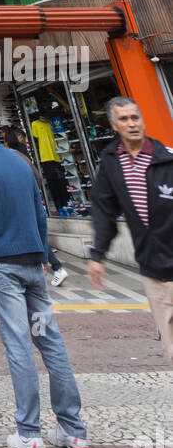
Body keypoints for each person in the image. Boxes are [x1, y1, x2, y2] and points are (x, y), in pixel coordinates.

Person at [0, 109, 88, 448]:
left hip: (2, 269)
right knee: (50, 341)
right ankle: (73, 430)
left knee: (18, 345)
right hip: (34, 264)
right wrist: (44, 255)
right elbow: (39, 211)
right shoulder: (20, 161)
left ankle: (30, 433)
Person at [88, 96, 173, 366]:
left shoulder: (167, 159)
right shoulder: (112, 161)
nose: (132, 124)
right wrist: (97, 254)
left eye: (135, 117)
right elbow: (104, 209)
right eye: (124, 119)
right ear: (114, 126)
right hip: (152, 270)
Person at [3, 127, 67, 287]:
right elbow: (37, 177)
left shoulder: (12, 157)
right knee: (36, 235)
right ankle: (52, 267)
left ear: (7, 143)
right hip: (30, 200)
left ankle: (55, 267)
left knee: (35, 235)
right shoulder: (22, 155)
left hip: (25, 202)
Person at [30, 105, 70, 213]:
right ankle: (59, 206)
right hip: (45, 157)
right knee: (53, 183)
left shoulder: (51, 123)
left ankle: (66, 203)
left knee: (62, 181)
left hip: (57, 155)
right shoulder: (35, 124)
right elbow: (35, 138)